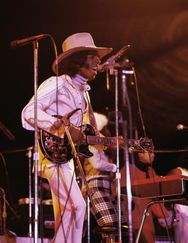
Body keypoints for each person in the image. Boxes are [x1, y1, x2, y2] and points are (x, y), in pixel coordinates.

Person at [21, 32, 113, 242]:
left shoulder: (84, 94)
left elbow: (85, 134)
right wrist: (57, 125)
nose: (98, 61)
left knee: (66, 213)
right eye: (92, 55)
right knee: (76, 207)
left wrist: (104, 143)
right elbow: (28, 113)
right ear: (78, 61)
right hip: (51, 155)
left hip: (67, 159)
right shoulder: (57, 84)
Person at [82, 112, 127, 241]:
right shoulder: (90, 142)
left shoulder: (102, 143)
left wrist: (120, 144)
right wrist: (114, 167)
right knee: (109, 223)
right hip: (96, 184)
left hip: (107, 184)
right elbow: (96, 164)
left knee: (120, 224)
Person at [120, 151, 173, 243]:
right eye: (150, 152)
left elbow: (156, 194)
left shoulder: (150, 170)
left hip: (146, 216)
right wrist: (163, 215)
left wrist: (164, 214)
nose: (154, 155)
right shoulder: (128, 170)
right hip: (134, 216)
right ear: (139, 154)